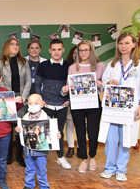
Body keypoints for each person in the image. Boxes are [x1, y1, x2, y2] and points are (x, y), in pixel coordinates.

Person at [98, 32, 140, 182]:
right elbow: (104, 82)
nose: (123, 46)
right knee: (111, 139)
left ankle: (121, 169)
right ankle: (109, 168)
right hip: (113, 107)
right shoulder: (112, 64)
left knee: (126, 139)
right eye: (121, 43)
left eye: (126, 43)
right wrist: (109, 83)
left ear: (134, 45)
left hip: (130, 109)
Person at [64, 40, 105, 173]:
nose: (83, 53)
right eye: (80, 50)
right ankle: (84, 159)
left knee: (93, 132)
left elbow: (105, 86)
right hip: (77, 104)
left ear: (91, 51)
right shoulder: (72, 67)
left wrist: (100, 85)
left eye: (86, 50)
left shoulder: (99, 66)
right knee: (80, 132)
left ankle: (92, 156)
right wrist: (66, 89)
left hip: (94, 104)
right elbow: (69, 87)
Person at [16, 94, 61, 189]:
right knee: (29, 169)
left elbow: (54, 132)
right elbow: (21, 135)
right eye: (30, 103)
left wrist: (57, 135)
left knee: (41, 170)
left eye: (35, 103)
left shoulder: (46, 118)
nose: (32, 105)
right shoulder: (24, 118)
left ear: (42, 104)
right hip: (28, 150)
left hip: (41, 151)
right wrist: (18, 131)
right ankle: (29, 186)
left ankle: (44, 188)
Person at [35, 38, 71, 169]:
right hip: (46, 104)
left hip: (62, 105)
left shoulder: (69, 66)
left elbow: (72, 85)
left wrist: (69, 100)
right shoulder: (43, 65)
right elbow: (37, 84)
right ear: (50, 50)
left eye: (59, 49)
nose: (56, 52)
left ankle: (60, 157)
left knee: (59, 132)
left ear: (63, 50)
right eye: (54, 50)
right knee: (42, 131)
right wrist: (40, 99)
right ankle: (41, 158)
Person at [0, 38, 32, 167]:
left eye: (17, 44)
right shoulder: (0, 62)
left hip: (22, 99)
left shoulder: (24, 62)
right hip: (7, 98)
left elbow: (28, 81)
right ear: (6, 46)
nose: (15, 46)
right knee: (7, 128)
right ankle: (8, 155)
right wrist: (10, 97)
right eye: (12, 44)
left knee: (20, 128)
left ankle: (20, 156)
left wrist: (23, 97)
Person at [64, 46, 77, 158]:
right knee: (69, 123)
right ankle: (71, 147)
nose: (77, 55)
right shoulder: (68, 67)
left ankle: (81, 147)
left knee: (81, 125)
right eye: (75, 53)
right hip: (69, 100)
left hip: (86, 102)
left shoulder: (91, 67)